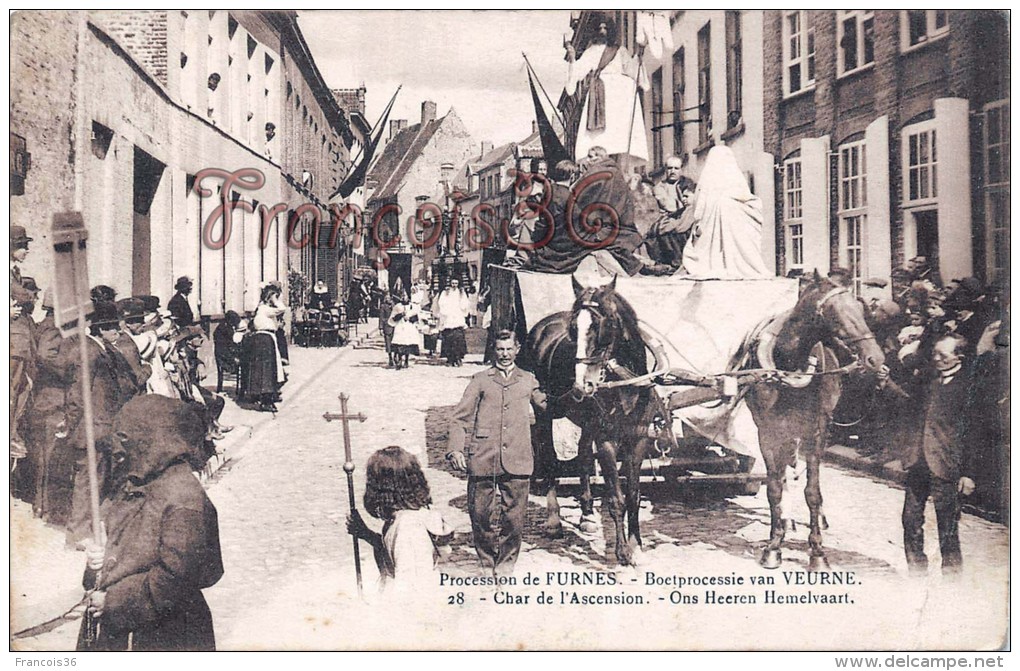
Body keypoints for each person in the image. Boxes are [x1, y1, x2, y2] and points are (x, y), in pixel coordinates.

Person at [78, 395, 224, 651]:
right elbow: (114, 556)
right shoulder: (134, 483)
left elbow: (176, 580)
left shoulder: (184, 499)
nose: (119, 450)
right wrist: (95, 563)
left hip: (163, 636)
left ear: (154, 439)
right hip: (116, 630)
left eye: (126, 439)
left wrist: (112, 602)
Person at [446, 330, 547, 577]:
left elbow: (548, 405)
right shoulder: (481, 380)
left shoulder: (528, 379)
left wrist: (577, 393)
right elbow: (459, 418)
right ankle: (486, 561)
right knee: (480, 515)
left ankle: (505, 565)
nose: (504, 354)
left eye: (509, 349)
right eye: (500, 349)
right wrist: (455, 449)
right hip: (484, 456)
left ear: (517, 349)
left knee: (514, 519)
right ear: (494, 351)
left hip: (518, 457)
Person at [62, 301, 140, 547]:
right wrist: (71, 424)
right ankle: (77, 534)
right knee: (87, 481)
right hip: (90, 427)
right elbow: (77, 392)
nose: (118, 331)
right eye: (113, 327)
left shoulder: (101, 349)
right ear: (100, 329)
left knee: (98, 479)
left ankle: (92, 528)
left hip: (102, 427)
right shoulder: (89, 352)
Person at [900, 333, 977, 577]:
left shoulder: (969, 387)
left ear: (958, 357)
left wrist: (968, 474)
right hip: (918, 462)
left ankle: (952, 581)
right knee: (910, 520)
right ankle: (917, 573)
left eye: (942, 355)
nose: (935, 358)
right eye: (934, 353)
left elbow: (975, 434)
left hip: (946, 466)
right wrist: (885, 383)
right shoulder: (928, 380)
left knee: (947, 528)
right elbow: (906, 403)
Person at [346, 446, 453, 594]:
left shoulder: (408, 527)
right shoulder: (410, 516)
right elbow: (393, 554)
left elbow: (410, 585)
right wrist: (366, 534)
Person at [11, 225, 36, 462]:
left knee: (21, 389)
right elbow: (23, 295)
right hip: (12, 344)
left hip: (20, 343)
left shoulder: (13, 271)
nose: (26, 250)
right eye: (22, 246)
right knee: (11, 390)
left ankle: (12, 433)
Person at [241, 284, 287, 411]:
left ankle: (265, 395)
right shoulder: (265, 309)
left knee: (265, 369)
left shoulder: (261, 309)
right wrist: (275, 299)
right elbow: (282, 308)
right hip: (265, 339)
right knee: (267, 370)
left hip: (264, 339)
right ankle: (266, 399)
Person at [648, 156, 696, 267]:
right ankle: (676, 261)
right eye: (670, 168)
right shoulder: (660, 187)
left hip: (687, 215)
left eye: (676, 168)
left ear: (681, 170)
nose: (673, 171)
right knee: (667, 229)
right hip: (669, 217)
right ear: (665, 170)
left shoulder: (688, 183)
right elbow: (669, 206)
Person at [436, 278, 470, 366]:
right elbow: (441, 303)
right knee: (448, 339)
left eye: (456, 283)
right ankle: (450, 358)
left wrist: (462, 301)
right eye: (453, 283)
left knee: (458, 338)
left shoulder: (461, 293)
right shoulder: (445, 293)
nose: (454, 285)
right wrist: (446, 311)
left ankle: (458, 358)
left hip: (458, 316)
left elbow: (465, 304)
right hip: (448, 316)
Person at [388, 293, 420, 370]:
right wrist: (401, 315)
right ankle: (399, 360)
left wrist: (409, 318)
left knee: (407, 344)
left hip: (409, 327)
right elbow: (393, 318)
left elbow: (417, 318)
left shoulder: (413, 307)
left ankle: (406, 360)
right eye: (402, 296)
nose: (403, 297)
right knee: (399, 344)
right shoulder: (397, 306)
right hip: (400, 326)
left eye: (405, 296)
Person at [214, 311, 242, 393]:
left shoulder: (222, 327)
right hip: (224, 358)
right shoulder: (225, 330)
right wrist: (234, 358)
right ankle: (243, 390)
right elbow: (225, 349)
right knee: (245, 363)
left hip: (224, 354)